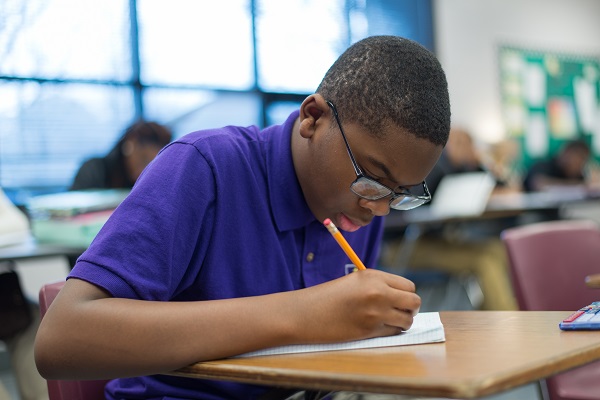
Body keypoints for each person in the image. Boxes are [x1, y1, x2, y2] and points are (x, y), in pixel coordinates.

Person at [34, 36, 451, 399]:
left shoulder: (359, 204)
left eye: (401, 193)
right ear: (313, 118)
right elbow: (62, 340)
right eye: (373, 179)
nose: (379, 207)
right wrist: (303, 314)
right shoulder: (203, 169)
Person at [383, 127, 518, 311]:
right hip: (404, 245)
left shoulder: (459, 168)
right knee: (484, 260)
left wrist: (483, 163)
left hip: (436, 241)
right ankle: (508, 324)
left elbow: (496, 187)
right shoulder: (429, 166)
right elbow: (411, 206)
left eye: (470, 144)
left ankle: (493, 318)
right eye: (460, 143)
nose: (467, 149)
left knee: (497, 248)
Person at [69, 120, 172, 190]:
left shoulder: (145, 182)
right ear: (130, 145)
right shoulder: (93, 170)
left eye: (152, 165)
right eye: (143, 159)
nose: (143, 169)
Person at [522, 139, 591, 192]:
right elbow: (538, 184)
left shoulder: (577, 174)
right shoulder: (543, 165)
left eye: (583, 160)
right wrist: (576, 185)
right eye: (579, 158)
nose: (580, 164)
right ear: (567, 153)